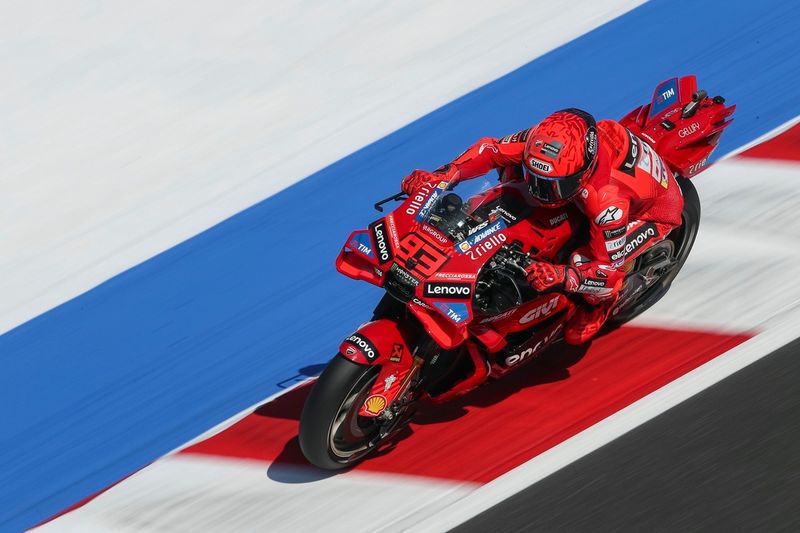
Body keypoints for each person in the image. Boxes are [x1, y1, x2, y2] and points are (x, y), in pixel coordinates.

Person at [400, 108, 684, 344]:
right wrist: (442, 176)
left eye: (552, 187)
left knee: (581, 264)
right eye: (535, 179)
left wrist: (562, 275)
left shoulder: (607, 202)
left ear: (581, 175)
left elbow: (607, 273)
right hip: (605, 168)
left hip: (652, 212)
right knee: (508, 177)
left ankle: (598, 308)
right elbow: (490, 150)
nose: (539, 191)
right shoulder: (541, 144)